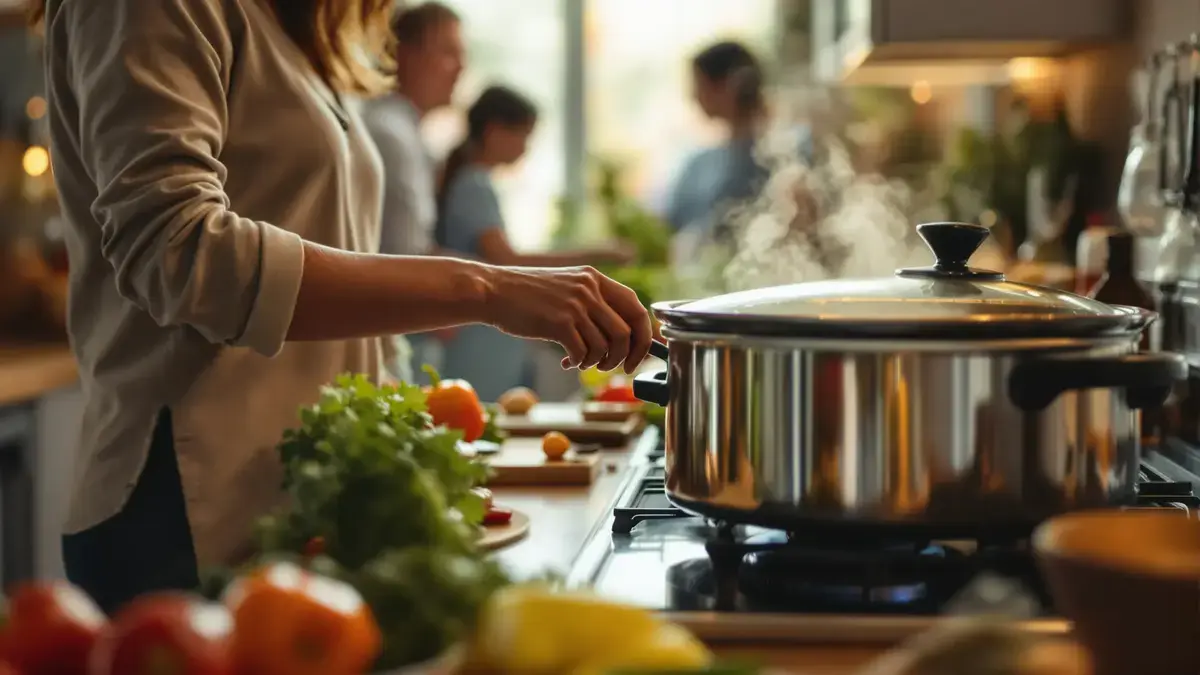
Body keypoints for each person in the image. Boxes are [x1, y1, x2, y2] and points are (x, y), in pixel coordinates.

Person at [34, 0, 652, 615]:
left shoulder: (289, 28)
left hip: (304, 503)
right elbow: (180, 252)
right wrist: (487, 287)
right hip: (192, 508)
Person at [436, 85, 634, 402]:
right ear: (495, 132)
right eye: (523, 135)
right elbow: (507, 262)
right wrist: (592, 256)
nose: (526, 148)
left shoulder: (472, 181)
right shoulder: (474, 185)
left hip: (483, 340)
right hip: (478, 343)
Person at [361, 2, 463, 381]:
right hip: (393, 331)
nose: (460, 68)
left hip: (407, 326)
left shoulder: (405, 130)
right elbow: (400, 251)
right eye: (448, 52)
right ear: (405, 54)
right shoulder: (387, 132)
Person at [664, 41, 771, 238]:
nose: (694, 97)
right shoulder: (701, 163)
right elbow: (669, 225)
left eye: (699, 85)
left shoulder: (777, 159)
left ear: (732, 86)